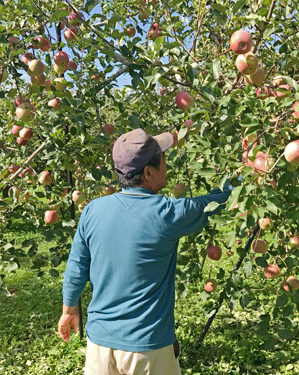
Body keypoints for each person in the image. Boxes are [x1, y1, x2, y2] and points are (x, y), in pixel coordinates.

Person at [58, 128, 235, 375]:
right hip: (147, 348)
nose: (167, 164)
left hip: (99, 343)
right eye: (163, 159)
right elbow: (217, 201)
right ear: (149, 172)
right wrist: (243, 174)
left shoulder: (93, 210)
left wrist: (69, 310)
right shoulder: (168, 213)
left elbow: (77, 266)